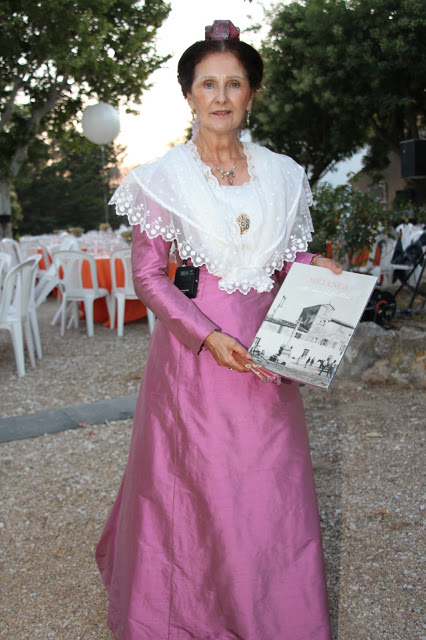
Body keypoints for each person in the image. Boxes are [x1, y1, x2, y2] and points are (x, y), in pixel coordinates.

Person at [96, 20, 342, 640]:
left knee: (269, 492)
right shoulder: (161, 179)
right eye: (209, 84)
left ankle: (275, 616)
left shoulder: (284, 175)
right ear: (189, 95)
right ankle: (186, 617)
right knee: (193, 488)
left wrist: (319, 265)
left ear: (252, 93)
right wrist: (203, 335)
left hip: (267, 352)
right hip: (194, 357)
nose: (222, 96)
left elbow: (283, 263)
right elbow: (149, 276)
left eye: (235, 83)